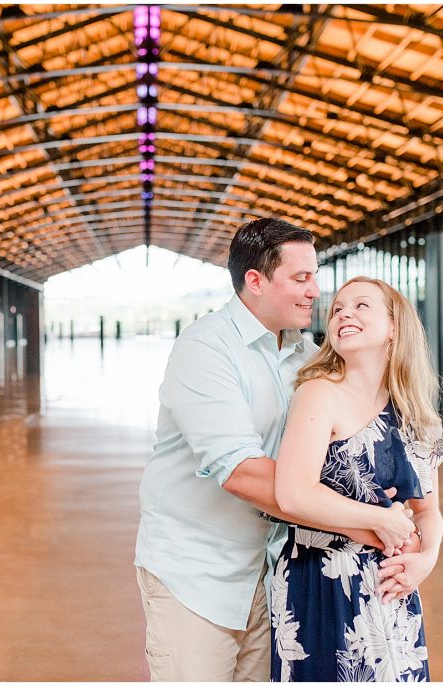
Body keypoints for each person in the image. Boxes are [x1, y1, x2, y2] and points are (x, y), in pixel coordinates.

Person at [134, 219, 411, 681]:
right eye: (301, 279)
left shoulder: (309, 359)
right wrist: (369, 524)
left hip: (276, 576)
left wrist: (409, 528)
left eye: (315, 277)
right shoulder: (206, 349)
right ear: (255, 282)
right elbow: (240, 472)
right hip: (198, 574)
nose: (315, 292)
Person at [271, 276, 443, 682]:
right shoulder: (319, 392)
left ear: (394, 328)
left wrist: (426, 560)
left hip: (393, 588)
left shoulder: (415, 412)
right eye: (337, 308)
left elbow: (429, 513)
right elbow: (292, 493)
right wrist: (380, 519)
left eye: (360, 306)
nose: (344, 314)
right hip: (322, 581)